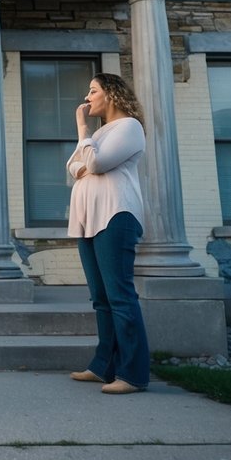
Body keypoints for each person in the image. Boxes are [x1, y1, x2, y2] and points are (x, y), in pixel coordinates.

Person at [66, 72, 150, 395]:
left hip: (116, 217)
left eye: (93, 91)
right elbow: (74, 167)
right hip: (89, 219)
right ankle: (104, 366)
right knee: (101, 298)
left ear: (111, 95)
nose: (87, 98)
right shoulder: (103, 134)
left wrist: (82, 132)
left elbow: (95, 164)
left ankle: (133, 374)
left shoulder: (129, 128)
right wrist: (87, 155)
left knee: (120, 295)